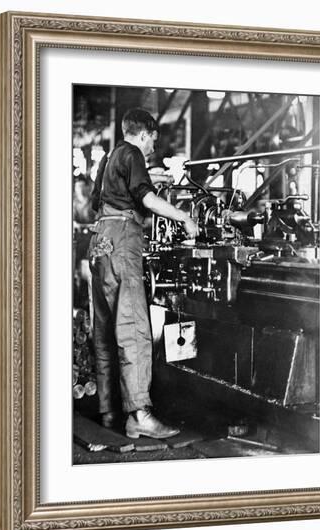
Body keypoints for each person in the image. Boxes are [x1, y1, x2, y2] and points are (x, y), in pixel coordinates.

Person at [89, 108, 198, 439]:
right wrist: (184, 217)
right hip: (123, 241)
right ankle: (139, 415)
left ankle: (109, 412)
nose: (153, 148)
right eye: (154, 140)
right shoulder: (134, 152)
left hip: (100, 242)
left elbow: (102, 200)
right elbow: (146, 200)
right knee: (134, 329)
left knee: (106, 331)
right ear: (145, 134)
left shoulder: (110, 157)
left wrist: (151, 178)